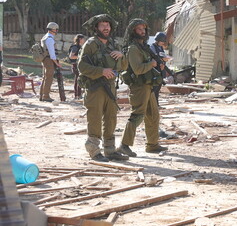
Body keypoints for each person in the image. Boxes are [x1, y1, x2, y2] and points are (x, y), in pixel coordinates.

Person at [77, 14, 129, 162]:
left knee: (111, 118)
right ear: (96, 28)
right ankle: (94, 151)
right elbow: (81, 66)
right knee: (94, 118)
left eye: (108, 25)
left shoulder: (113, 44)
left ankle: (110, 150)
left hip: (111, 87)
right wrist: (101, 71)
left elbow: (124, 66)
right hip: (95, 87)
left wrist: (122, 56)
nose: (106, 28)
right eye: (102, 25)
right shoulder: (91, 44)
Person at [118, 19, 167, 157]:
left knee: (153, 115)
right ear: (134, 31)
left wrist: (158, 66)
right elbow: (138, 69)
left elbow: (149, 64)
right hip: (139, 86)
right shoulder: (133, 48)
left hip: (148, 85)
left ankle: (152, 144)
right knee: (137, 115)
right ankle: (124, 145)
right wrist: (151, 65)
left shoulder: (143, 47)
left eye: (144, 29)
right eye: (139, 29)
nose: (142, 31)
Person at [40, 22, 61, 102]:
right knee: (49, 78)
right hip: (49, 60)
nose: (56, 31)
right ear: (53, 29)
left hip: (45, 59)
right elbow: (52, 54)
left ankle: (42, 95)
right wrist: (57, 63)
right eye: (56, 29)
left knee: (45, 77)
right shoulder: (49, 39)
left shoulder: (45, 37)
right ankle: (46, 96)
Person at [149, 31, 172, 103]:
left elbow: (162, 56)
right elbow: (153, 58)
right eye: (162, 41)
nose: (163, 43)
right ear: (158, 40)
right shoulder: (152, 47)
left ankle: (156, 104)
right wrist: (162, 60)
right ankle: (153, 104)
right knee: (154, 88)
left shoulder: (161, 48)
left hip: (161, 70)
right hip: (155, 70)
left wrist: (165, 59)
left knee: (158, 88)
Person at [69, 34, 86, 99]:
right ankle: (78, 95)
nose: (84, 40)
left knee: (77, 80)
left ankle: (77, 94)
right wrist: (81, 57)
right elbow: (71, 56)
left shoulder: (79, 46)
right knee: (79, 80)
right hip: (76, 65)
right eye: (83, 39)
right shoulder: (75, 47)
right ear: (80, 39)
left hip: (78, 65)